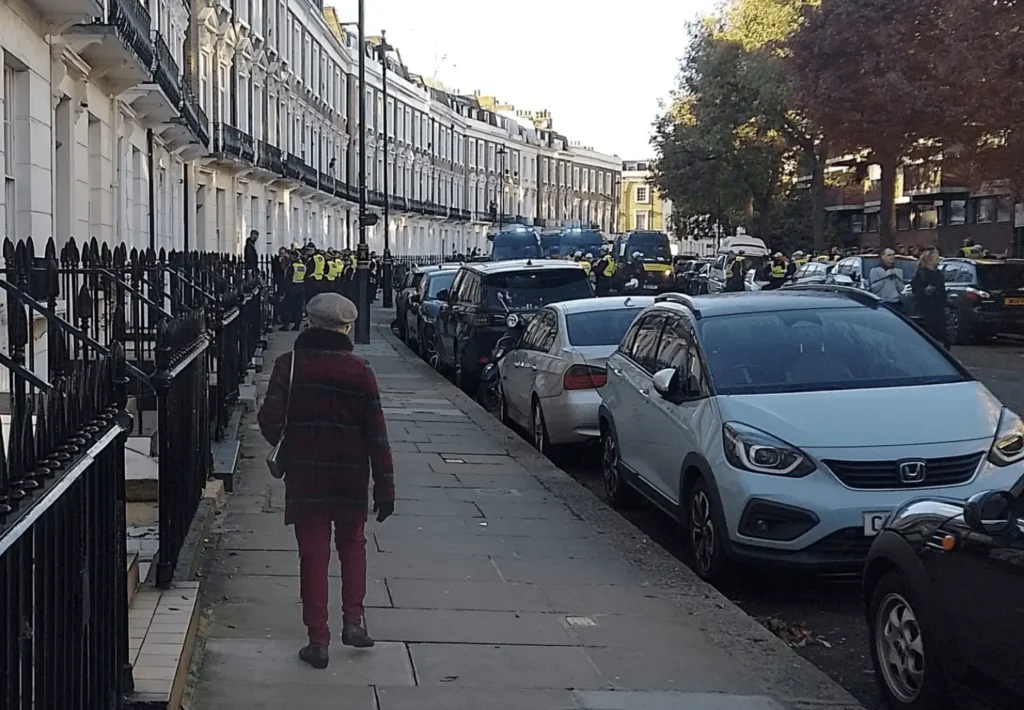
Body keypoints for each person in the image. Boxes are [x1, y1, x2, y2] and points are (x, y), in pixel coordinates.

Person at [257, 293, 396, 670]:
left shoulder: (290, 365)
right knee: (353, 546)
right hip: (350, 475)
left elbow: (268, 418)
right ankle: (354, 622)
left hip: (307, 475)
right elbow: (376, 434)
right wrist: (385, 486)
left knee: (312, 556)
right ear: (346, 328)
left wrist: (289, 445)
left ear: (308, 323)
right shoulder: (361, 370)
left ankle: (317, 641)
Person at [912, 247, 948, 347]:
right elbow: (915, 289)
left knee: (942, 336)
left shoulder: (939, 274)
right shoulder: (922, 273)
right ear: (930, 258)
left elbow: (942, 290)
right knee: (928, 335)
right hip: (926, 309)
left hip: (938, 309)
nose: (939, 259)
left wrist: (945, 306)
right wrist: (925, 291)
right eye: (937, 256)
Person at [869, 247, 906, 313]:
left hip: (896, 302)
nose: (892, 257)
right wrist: (885, 277)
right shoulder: (875, 271)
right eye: (889, 255)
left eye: (893, 255)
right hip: (882, 303)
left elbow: (901, 289)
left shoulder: (898, 271)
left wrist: (897, 278)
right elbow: (874, 289)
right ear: (883, 257)